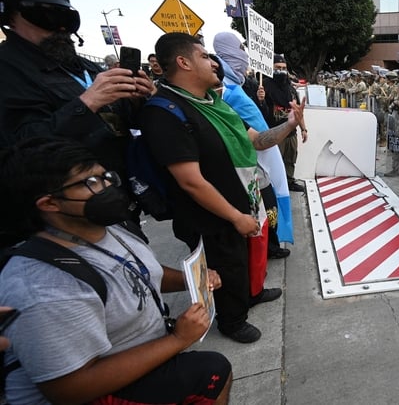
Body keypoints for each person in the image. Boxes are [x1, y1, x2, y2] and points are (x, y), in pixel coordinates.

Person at [0, 137, 232, 404]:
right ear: (49, 204)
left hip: (137, 353)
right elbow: (69, 389)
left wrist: (190, 280)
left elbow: (139, 272)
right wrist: (178, 339)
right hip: (94, 391)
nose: (107, 187)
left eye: (105, 176)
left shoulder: (103, 227)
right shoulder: (43, 288)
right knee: (212, 371)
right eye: (91, 183)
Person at [139, 32, 303, 343]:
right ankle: (232, 320)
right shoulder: (165, 111)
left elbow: (258, 140)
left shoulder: (214, 104)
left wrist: (291, 124)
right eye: (203, 56)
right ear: (183, 62)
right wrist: (234, 217)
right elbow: (191, 181)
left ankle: (249, 296)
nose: (213, 61)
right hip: (210, 217)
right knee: (224, 267)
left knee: (240, 261)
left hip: (240, 202)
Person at [0, 0, 154, 246]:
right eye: (44, 17)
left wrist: (138, 101)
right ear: (10, 17)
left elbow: (120, 124)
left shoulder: (83, 66)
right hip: (65, 220)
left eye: (67, 19)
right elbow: (20, 145)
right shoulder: (8, 70)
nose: (60, 28)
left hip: (116, 199)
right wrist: (86, 104)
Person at [212, 33, 293, 261]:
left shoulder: (238, 82)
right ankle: (267, 247)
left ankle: (270, 243)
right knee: (264, 201)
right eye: (239, 48)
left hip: (263, 143)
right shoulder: (221, 87)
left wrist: (259, 100)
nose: (244, 55)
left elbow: (254, 115)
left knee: (271, 197)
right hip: (248, 155)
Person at [260, 53, 306, 192]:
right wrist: (260, 98)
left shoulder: (290, 88)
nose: (281, 70)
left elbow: (298, 111)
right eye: (277, 67)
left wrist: (304, 129)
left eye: (284, 67)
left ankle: (289, 181)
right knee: (275, 162)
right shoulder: (265, 86)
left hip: (291, 133)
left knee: (290, 159)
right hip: (274, 132)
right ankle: (274, 185)